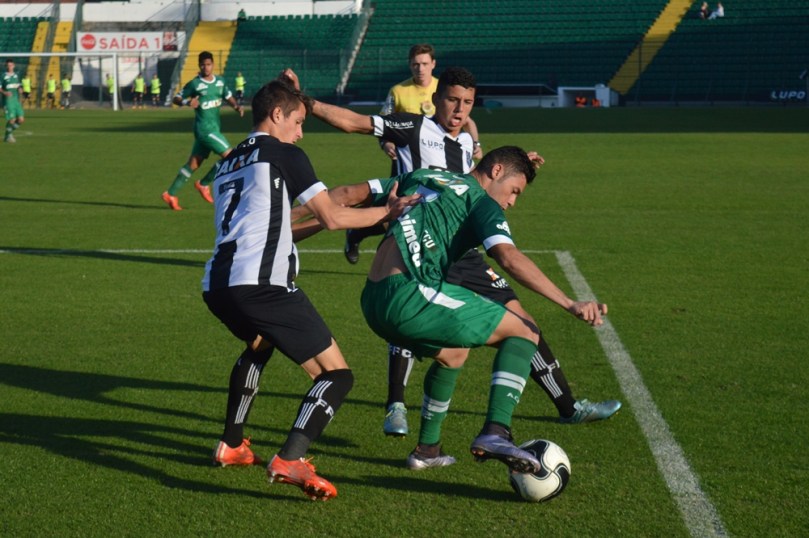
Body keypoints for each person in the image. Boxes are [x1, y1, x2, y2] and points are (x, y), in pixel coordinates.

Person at [285, 67, 620, 443]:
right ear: (436, 99)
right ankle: (398, 404)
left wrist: (517, 165)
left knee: (516, 322)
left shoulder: (467, 146)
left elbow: (486, 178)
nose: (460, 110)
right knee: (416, 308)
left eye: (467, 103)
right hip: (418, 243)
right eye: (452, 100)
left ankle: (566, 406)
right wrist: (306, 103)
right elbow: (354, 123)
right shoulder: (412, 127)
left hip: (466, 249)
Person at [202, 79, 419, 500]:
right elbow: (335, 217)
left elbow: (275, 228)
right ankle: (291, 458)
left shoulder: (228, 162)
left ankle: (231, 444)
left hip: (217, 284)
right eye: (299, 121)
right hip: (263, 285)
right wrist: (386, 213)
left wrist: (328, 220)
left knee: (260, 343)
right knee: (337, 375)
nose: (301, 132)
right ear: (278, 114)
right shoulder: (284, 153)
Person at [359, 146, 609, 473]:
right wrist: (569, 303)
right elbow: (508, 257)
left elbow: (351, 193)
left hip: (372, 296)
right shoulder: (482, 203)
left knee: (453, 354)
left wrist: (302, 215)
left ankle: (427, 450)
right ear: (495, 171)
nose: (513, 201)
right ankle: (496, 431)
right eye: (514, 190)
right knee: (524, 330)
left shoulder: (429, 175)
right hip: (412, 288)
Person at [162, 51, 244, 211]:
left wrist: (236, 106)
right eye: (203, 64)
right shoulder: (195, 84)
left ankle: (170, 194)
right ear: (199, 66)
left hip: (212, 129)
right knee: (232, 157)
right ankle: (204, 183)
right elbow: (176, 98)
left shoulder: (220, 82)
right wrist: (187, 101)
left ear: (213, 65)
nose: (206, 67)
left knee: (193, 164)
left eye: (208, 64)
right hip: (205, 130)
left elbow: (228, 95)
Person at [2, 58, 25, 143]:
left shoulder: (17, 75)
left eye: (11, 65)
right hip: (8, 100)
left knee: (21, 120)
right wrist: (5, 92)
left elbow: (18, 85)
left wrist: (20, 89)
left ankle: (8, 134)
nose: (9, 67)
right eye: (8, 65)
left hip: (16, 100)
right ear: (6, 66)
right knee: (11, 120)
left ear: (14, 66)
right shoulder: (3, 75)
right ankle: (8, 136)